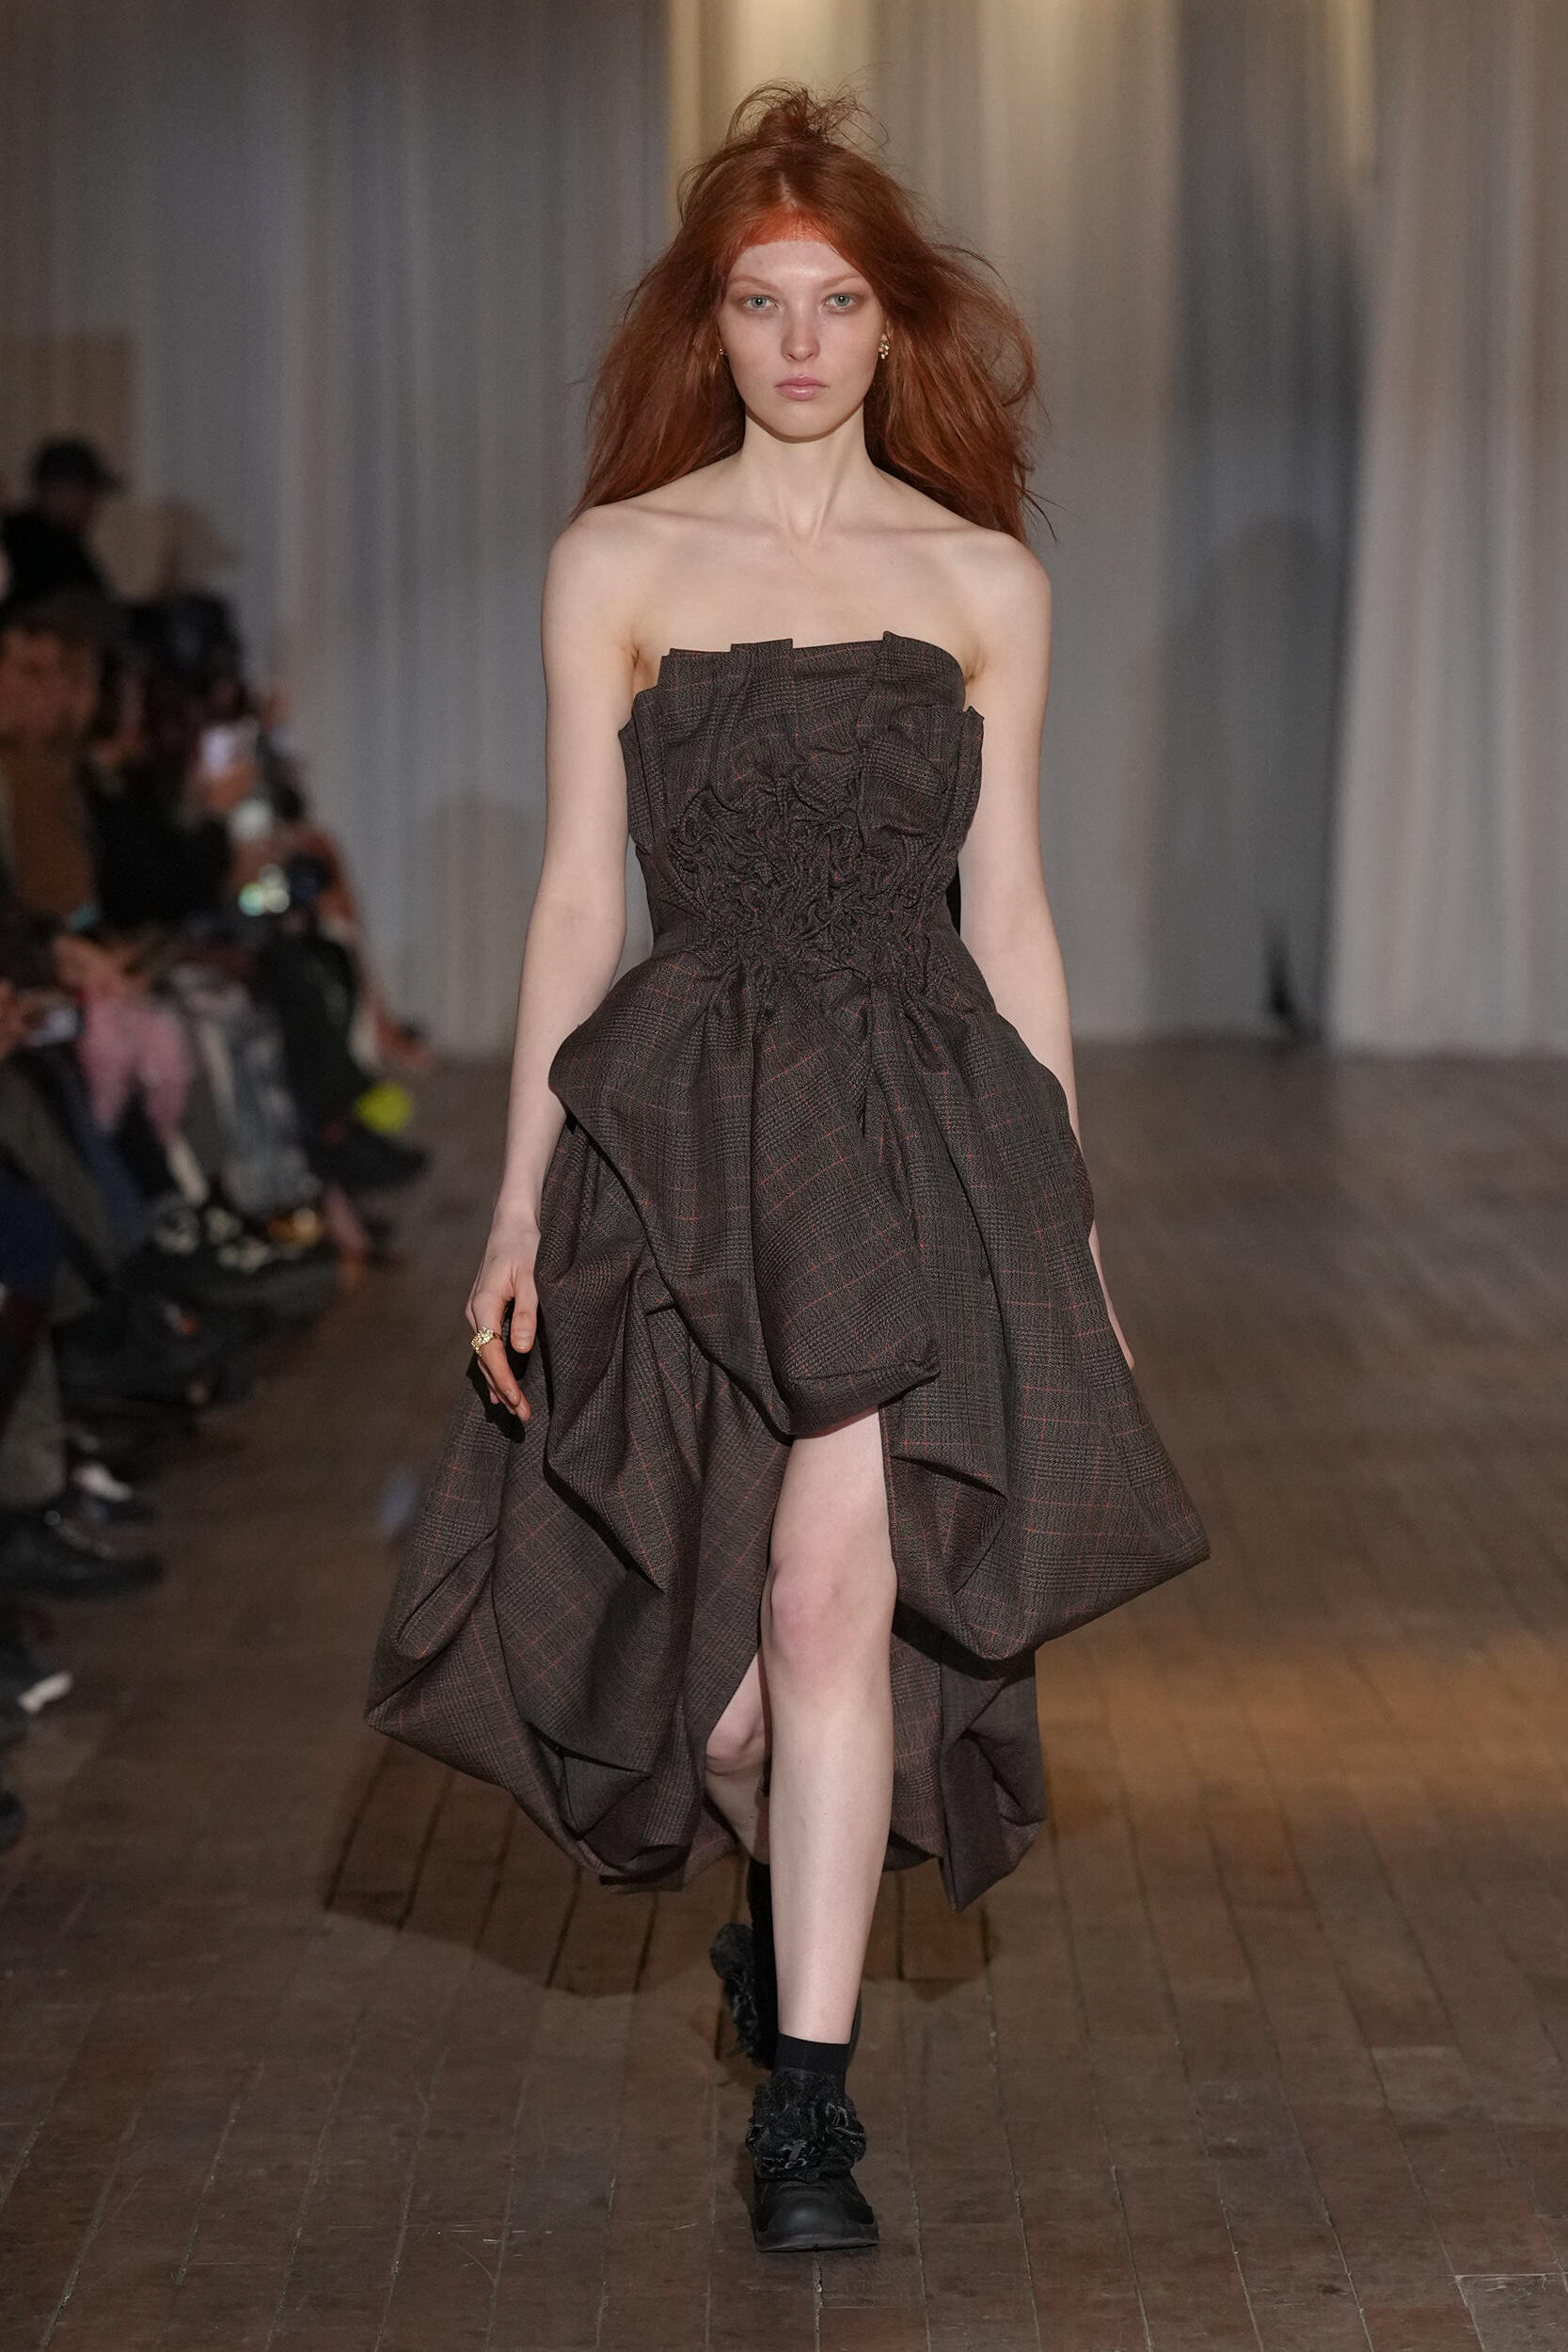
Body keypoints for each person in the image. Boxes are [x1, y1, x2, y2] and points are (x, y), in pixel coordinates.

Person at [368, 84, 1209, 2254]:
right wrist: (511, 1203)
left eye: (837, 303)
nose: (803, 342)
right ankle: (779, 1909)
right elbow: (578, 895)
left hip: (910, 1127)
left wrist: (1067, 1229)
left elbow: (1012, 913)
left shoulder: (981, 580)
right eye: (762, 304)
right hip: (679, 1123)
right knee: (730, 1692)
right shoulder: (619, 560)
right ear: (711, 324)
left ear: (891, 322)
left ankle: (808, 2110)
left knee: (830, 1600)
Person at [0, 438, 121, 624]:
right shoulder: (47, 545)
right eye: (87, 493)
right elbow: (93, 615)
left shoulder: (46, 538)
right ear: (59, 491)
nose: (93, 506)